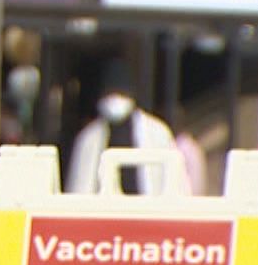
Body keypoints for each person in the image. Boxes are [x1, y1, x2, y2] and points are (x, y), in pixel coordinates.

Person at [65, 61, 183, 195]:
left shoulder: (157, 132)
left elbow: (176, 183)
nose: (114, 100)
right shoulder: (89, 138)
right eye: (109, 95)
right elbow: (79, 187)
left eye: (120, 94)